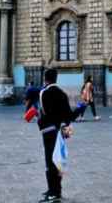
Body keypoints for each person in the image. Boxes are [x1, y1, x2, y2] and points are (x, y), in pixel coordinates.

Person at [37, 68, 73, 203]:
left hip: (48, 131)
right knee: (57, 159)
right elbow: (68, 115)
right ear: (56, 78)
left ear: (45, 78)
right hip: (59, 131)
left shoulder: (44, 93)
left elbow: (44, 112)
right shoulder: (62, 93)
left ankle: (53, 192)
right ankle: (56, 189)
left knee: (49, 161)